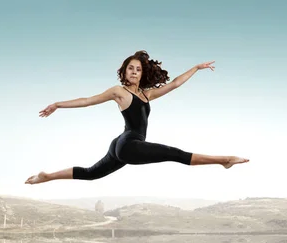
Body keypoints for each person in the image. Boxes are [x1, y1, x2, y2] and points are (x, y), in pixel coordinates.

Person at [25, 50, 249, 185]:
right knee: (175, 154)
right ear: (124, 72)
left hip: (121, 144)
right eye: (130, 68)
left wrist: (196, 68)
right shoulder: (119, 92)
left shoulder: (146, 94)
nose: (133, 72)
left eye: (138, 69)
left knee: (91, 174)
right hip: (129, 145)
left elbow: (175, 84)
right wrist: (57, 105)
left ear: (143, 74)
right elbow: (87, 100)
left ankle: (47, 176)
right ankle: (224, 160)